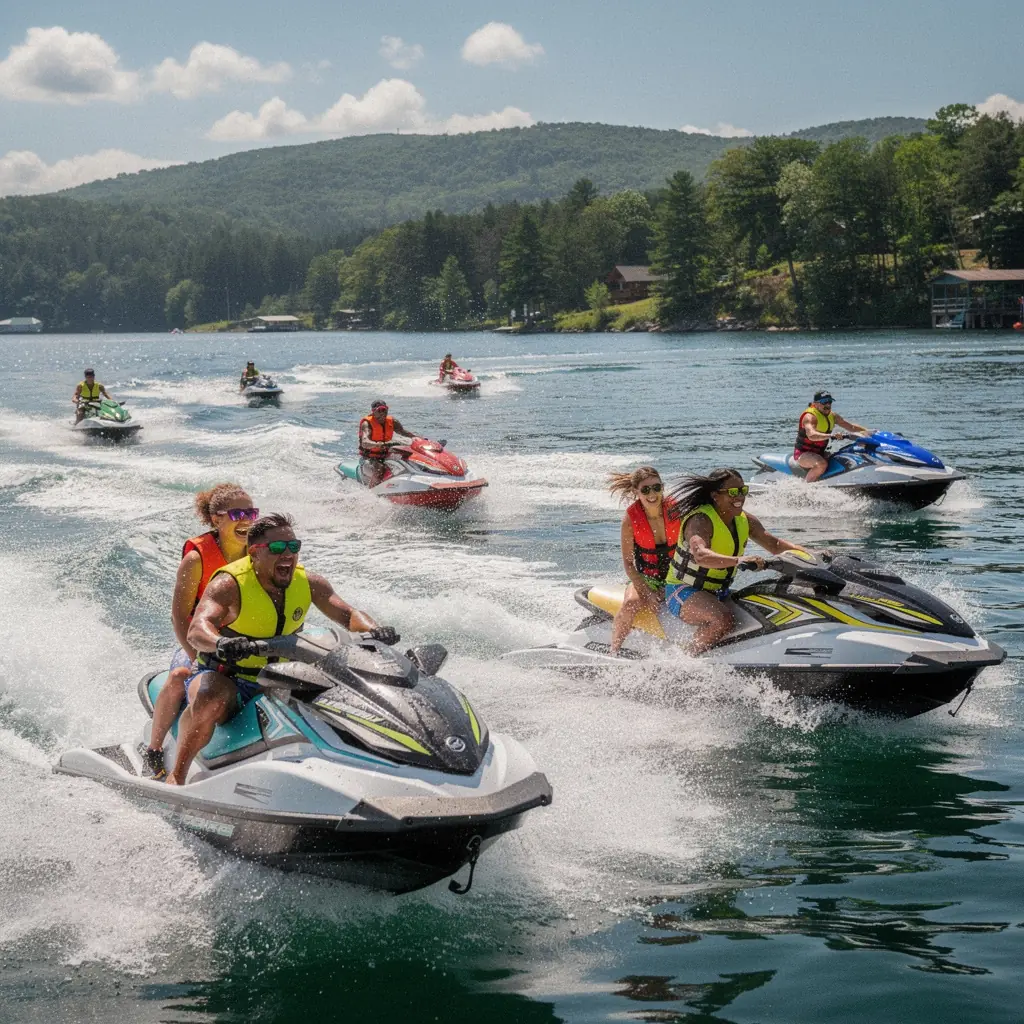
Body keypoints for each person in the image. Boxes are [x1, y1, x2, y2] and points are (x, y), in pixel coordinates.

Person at [167, 513, 399, 785]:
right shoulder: (229, 584)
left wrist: (373, 630)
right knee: (210, 700)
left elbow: (348, 615)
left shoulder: (309, 582)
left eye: (293, 546)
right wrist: (221, 643)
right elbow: (198, 627)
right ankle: (177, 776)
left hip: (281, 674)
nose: (287, 554)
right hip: (227, 675)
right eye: (277, 548)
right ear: (254, 553)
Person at [140, 483, 259, 780]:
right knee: (180, 677)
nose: (247, 519)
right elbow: (180, 618)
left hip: (241, 641)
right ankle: (153, 750)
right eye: (238, 513)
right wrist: (197, 657)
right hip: (199, 641)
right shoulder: (197, 559)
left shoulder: (257, 554)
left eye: (252, 512)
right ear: (217, 519)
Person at [664, 468, 807, 654]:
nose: (739, 496)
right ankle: (683, 662)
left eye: (742, 490)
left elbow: (776, 545)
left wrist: (813, 553)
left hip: (718, 592)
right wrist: (739, 560)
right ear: (715, 495)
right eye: (732, 492)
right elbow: (701, 555)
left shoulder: (744, 519)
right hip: (683, 590)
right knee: (722, 619)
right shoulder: (700, 520)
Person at [607, 466, 680, 655]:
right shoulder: (630, 521)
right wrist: (646, 592)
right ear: (636, 492)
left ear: (663, 487)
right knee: (631, 603)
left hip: (678, 575)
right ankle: (613, 652)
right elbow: (629, 564)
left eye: (656, 487)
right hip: (647, 577)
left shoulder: (677, 511)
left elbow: (689, 552)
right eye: (645, 490)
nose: (652, 494)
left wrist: (672, 584)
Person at [795, 390, 870, 483]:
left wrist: (868, 432)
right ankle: (805, 488)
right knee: (821, 464)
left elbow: (851, 427)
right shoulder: (810, 417)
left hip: (820, 452)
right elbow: (812, 435)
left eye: (829, 401)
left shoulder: (833, 416)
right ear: (815, 404)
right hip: (803, 454)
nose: (828, 405)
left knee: (843, 457)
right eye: (824, 402)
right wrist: (831, 435)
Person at [358, 399, 418, 487]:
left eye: (384, 410)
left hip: (386, 455)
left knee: (409, 458)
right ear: (373, 412)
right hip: (369, 458)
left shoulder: (392, 421)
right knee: (379, 469)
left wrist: (419, 439)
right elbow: (365, 442)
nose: (382, 413)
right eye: (379, 410)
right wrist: (379, 444)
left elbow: (404, 432)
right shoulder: (367, 424)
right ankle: (371, 492)